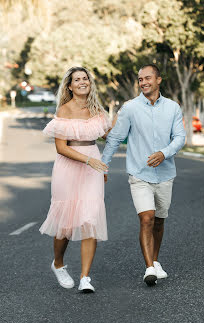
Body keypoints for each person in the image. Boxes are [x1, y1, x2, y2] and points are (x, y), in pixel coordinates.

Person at [102, 64, 186, 286]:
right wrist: (104, 166)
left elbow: (179, 138)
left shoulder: (172, 108)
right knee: (146, 218)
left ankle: (155, 261)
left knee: (159, 221)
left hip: (166, 173)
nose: (143, 82)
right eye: (140, 79)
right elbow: (115, 138)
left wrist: (164, 153)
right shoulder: (130, 108)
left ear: (158, 80)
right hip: (139, 174)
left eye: (147, 78)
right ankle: (149, 267)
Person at [39, 66, 112, 293]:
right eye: (77, 79)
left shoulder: (97, 110)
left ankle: (85, 278)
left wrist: (103, 164)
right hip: (69, 168)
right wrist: (89, 161)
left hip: (93, 168)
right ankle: (58, 264)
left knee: (89, 218)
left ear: (90, 83)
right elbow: (61, 148)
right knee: (66, 225)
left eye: (85, 78)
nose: (82, 82)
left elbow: (110, 137)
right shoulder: (64, 110)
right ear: (69, 86)